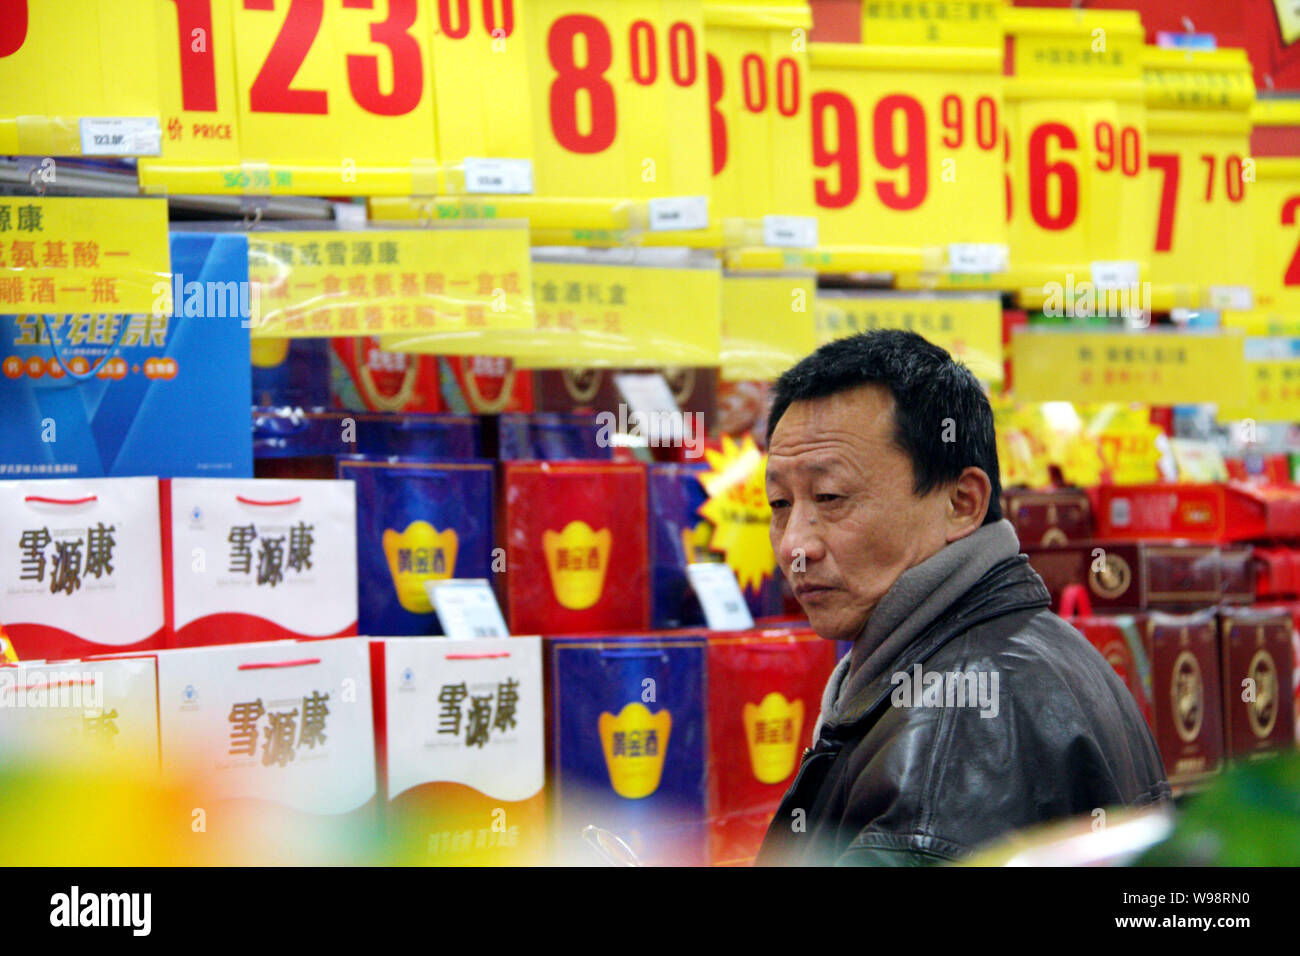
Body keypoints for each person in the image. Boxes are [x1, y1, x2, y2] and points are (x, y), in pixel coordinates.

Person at [755, 330, 1169, 866]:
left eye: (830, 497)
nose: (795, 546)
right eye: (779, 503)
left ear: (961, 502)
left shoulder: (959, 723)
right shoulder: (1042, 643)